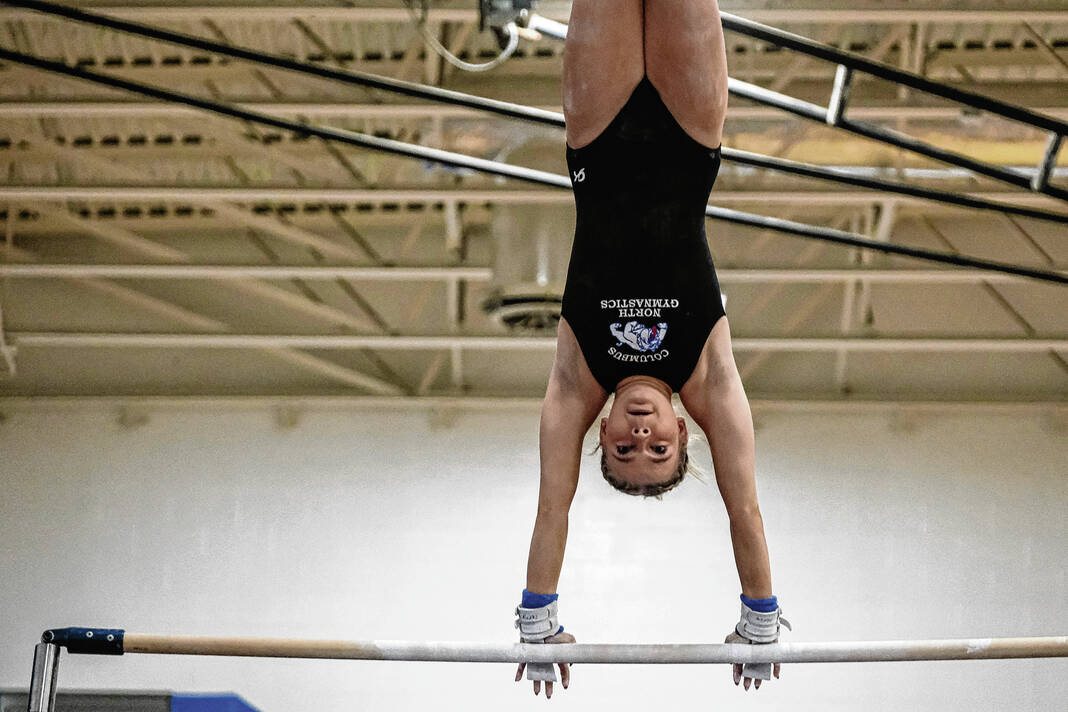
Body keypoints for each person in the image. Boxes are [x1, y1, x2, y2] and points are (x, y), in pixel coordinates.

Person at [512, 0, 789, 698]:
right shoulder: (708, 376)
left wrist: (537, 622)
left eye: (623, 449)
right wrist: (760, 619)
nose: (641, 436)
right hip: (690, 134)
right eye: (658, 448)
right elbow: (744, 508)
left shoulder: (578, 379)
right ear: (684, 432)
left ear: (599, 430)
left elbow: (552, 507)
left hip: (597, 132)